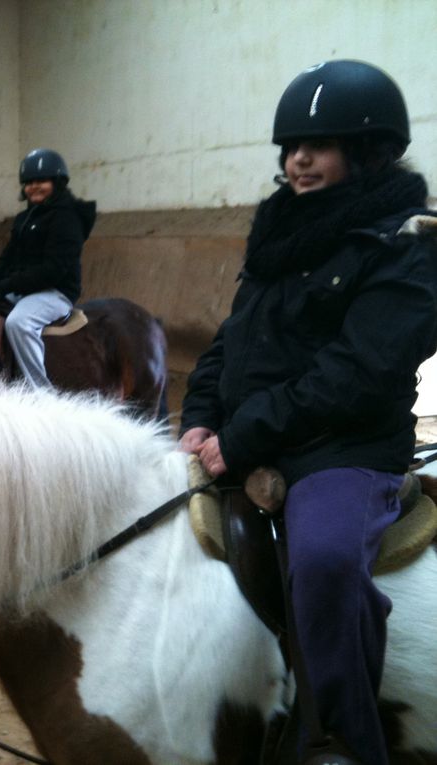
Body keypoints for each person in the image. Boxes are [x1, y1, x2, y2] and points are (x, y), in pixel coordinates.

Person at [180, 60, 437, 765]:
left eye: (317, 146)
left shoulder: (408, 242)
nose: (298, 159)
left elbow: (356, 374)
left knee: (323, 560)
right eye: (292, 145)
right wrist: (201, 412)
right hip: (247, 432)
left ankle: (343, 737)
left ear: (368, 151)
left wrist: (242, 435)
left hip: (342, 449)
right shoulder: (282, 230)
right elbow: (234, 336)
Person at [0, 149, 96, 388]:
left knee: (18, 322)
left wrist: (3, 285)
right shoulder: (25, 218)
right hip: (25, 289)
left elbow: (53, 269)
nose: (33, 187)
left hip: (54, 291)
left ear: (57, 182)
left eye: (41, 181)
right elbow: (7, 260)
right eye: (28, 182)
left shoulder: (67, 218)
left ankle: (41, 393)